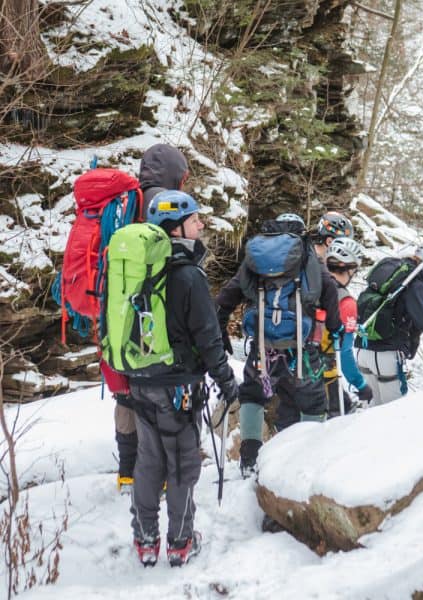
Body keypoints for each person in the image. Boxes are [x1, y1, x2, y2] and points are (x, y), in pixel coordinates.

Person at [130, 189, 238, 567]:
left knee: (147, 462)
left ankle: (145, 540)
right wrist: (225, 379)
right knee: (180, 465)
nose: (201, 224)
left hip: (140, 382)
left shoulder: (138, 268)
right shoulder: (189, 275)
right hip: (179, 388)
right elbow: (208, 337)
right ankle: (180, 542)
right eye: (194, 219)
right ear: (175, 229)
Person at [216, 213, 341, 477]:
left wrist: (220, 328)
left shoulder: (256, 260)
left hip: (263, 347)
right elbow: (329, 294)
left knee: (252, 394)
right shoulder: (309, 258)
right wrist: (335, 327)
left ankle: (250, 459)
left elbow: (228, 295)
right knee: (314, 401)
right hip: (302, 349)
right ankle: (305, 462)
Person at [115, 144, 190, 494]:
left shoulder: (128, 200)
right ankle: (155, 472)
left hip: (117, 305)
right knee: (153, 391)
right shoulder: (165, 203)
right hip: (150, 311)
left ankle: (128, 472)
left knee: (126, 390)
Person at [354, 243, 423, 405]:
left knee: (369, 409)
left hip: (363, 348)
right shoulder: (414, 282)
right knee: (392, 413)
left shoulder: (393, 272)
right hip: (386, 355)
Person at [323, 237, 373, 415]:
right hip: (323, 377)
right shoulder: (346, 301)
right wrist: (360, 384)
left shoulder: (309, 286)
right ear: (350, 269)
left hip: (289, 367)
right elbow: (344, 352)